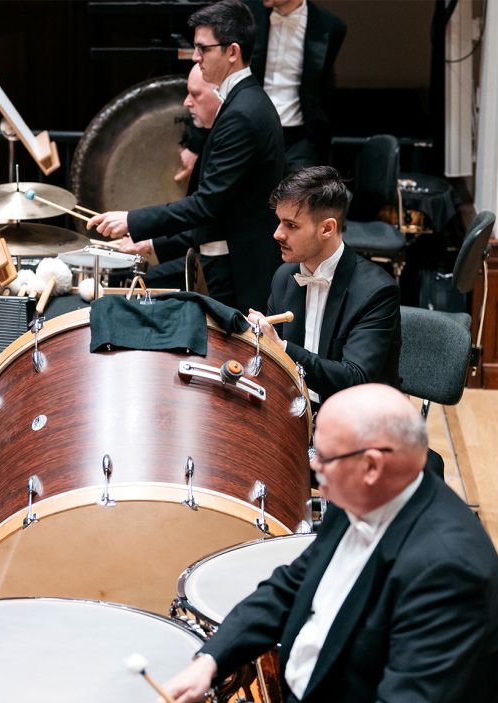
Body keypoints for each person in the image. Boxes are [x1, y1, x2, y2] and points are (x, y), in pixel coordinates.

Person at [163, 384, 498, 703]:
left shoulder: (446, 567)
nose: (314, 468)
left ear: (372, 466)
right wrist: (211, 659)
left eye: (323, 458)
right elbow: (291, 586)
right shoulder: (363, 499)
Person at [88, 0, 285, 314]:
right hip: (225, 257)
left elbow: (207, 204)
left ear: (232, 52)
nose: (196, 57)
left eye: (203, 49)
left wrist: (131, 220)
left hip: (239, 268)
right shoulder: (242, 103)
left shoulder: (242, 114)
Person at [246, 165, 399, 405]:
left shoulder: (376, 292)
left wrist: (280, 347)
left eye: (291, 225)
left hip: (358, 422)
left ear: (327, 228)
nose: (277, 234)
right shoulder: (284, 277)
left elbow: (355, 379)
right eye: (279, 222)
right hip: (296, 413)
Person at [122, 63, 223, 288]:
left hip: (222, 262)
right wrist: (150, 242)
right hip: (200, 249)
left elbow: (203, 212)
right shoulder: (212, 137)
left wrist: (136, 226)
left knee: (142, 283)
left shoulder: (229, 140)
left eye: (195, 94)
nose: (186, 102)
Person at [248, 0, 346, 170]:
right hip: (250, 129)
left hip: (299, 137)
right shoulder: (244, 14)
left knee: (300, 192)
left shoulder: (332, 26)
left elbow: (320, 89)